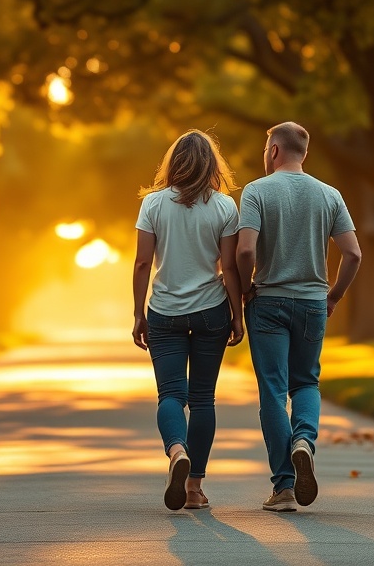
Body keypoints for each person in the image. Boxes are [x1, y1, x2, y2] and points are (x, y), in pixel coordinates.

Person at [236, 121, 362, 512]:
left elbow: (244, 252)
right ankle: (304, 441)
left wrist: (245, 288)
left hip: (268, 301)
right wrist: (335, 296)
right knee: (306, 382)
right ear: (302, 153)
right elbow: (353, 254)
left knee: (273, 390)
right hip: (311, 302)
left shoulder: (257, 191)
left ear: (274, 150)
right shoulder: (329, 195)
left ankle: (284, 488)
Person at [132, 129, 246, 511]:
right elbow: (229, 266)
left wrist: (137, 313)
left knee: (171, 396)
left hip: (164, 311)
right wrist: (237, 314)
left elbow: (143, 262)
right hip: (211, 310)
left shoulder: (153, 204)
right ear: (212, 165)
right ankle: (194, 487)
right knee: (202, 400)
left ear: (173, 162)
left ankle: (177, 450)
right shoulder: (225, 207)